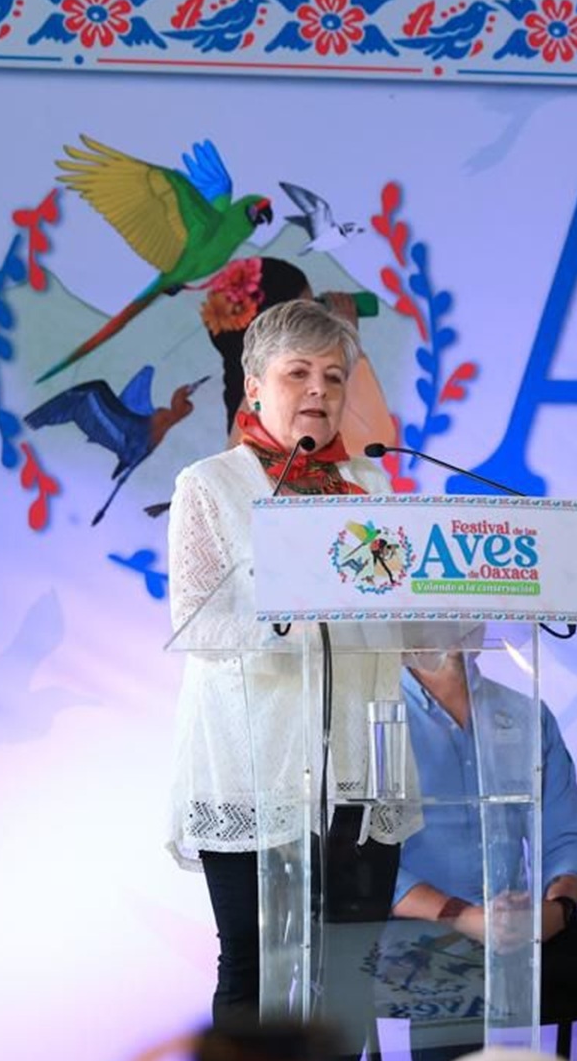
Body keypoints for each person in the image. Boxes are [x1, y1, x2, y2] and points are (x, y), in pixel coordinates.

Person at [166, 298, 418, 1025]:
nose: (319, 391)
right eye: (298, 373)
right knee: (255, 969)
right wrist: (293, 622)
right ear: (254, 387)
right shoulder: (211, 486)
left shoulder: (370, 490)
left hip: (361, 768)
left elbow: (401, 614)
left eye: (334, 377)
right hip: (256, 768)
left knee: (348, 976)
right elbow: (194, 623)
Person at [384, 645, 577, 1061]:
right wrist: (465, 916)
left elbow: (568, 838)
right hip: (414, 929)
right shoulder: (374, 713)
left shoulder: (525, 714)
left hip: (515, 927)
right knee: (454, 972)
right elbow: (360, 865)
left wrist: (556, 909)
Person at [200, 256, 393, 453]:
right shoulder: (263, 401)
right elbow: (372, 433)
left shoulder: (254, 389)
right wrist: (343, 341)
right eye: (307, 313)